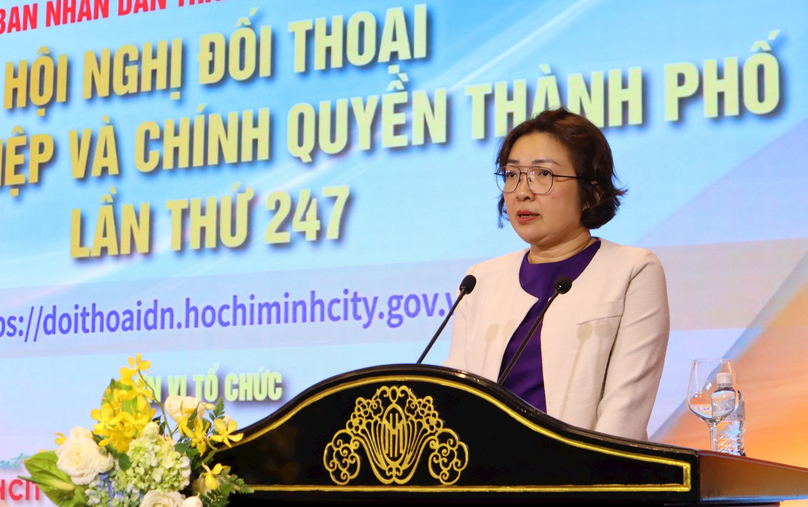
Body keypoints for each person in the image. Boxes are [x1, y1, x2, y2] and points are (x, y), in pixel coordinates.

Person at [443, 108, 669, 441]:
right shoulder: (479, 280)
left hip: (584, 484)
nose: (522, 191)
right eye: (512, 174)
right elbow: (455, 401)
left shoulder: (632, 271)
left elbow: (625, 411)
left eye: (542, 175)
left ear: (591, 190)